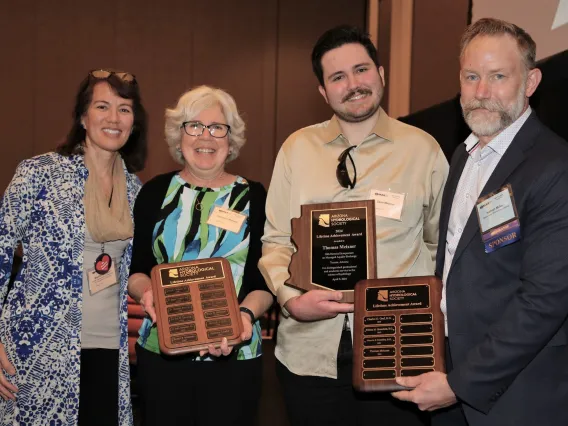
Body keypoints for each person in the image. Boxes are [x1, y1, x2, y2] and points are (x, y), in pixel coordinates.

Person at [259, 25, 448, 426]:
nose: (353, 84)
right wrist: (291, 298)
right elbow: (275, 241)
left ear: (381, 73)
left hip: (398, 353)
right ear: (324, 93)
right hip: (309, 356)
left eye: (361, 70)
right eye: (338, 77)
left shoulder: (423, 150)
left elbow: (441, 245)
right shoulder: (296, 150)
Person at [392, 18, 568, 426]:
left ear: (531, 81)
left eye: (498, 76)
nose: (482, 92)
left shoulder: (555, 167)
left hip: (515, 394)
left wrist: (459, 384)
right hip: (450, 373)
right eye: (471, 77)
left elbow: (544, 301)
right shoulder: (463, 156)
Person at [0, 69, 148, 425]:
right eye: (102, 106)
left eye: (125, 109)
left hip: (111, 349)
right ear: (83, 116)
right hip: (37, 347)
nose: (114, 118)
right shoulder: (39, 174)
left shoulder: (135, 189)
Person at [128, 85, 274, 426]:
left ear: (230, 138)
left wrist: (244, 318)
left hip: (233, 355)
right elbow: (137, 269)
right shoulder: (154, 193)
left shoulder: (255, 197)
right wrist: (146, 292)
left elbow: (263, 282)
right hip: (162, 353)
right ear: (179, 137)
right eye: (194, 126)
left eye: (217, 127)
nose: (205, 136)